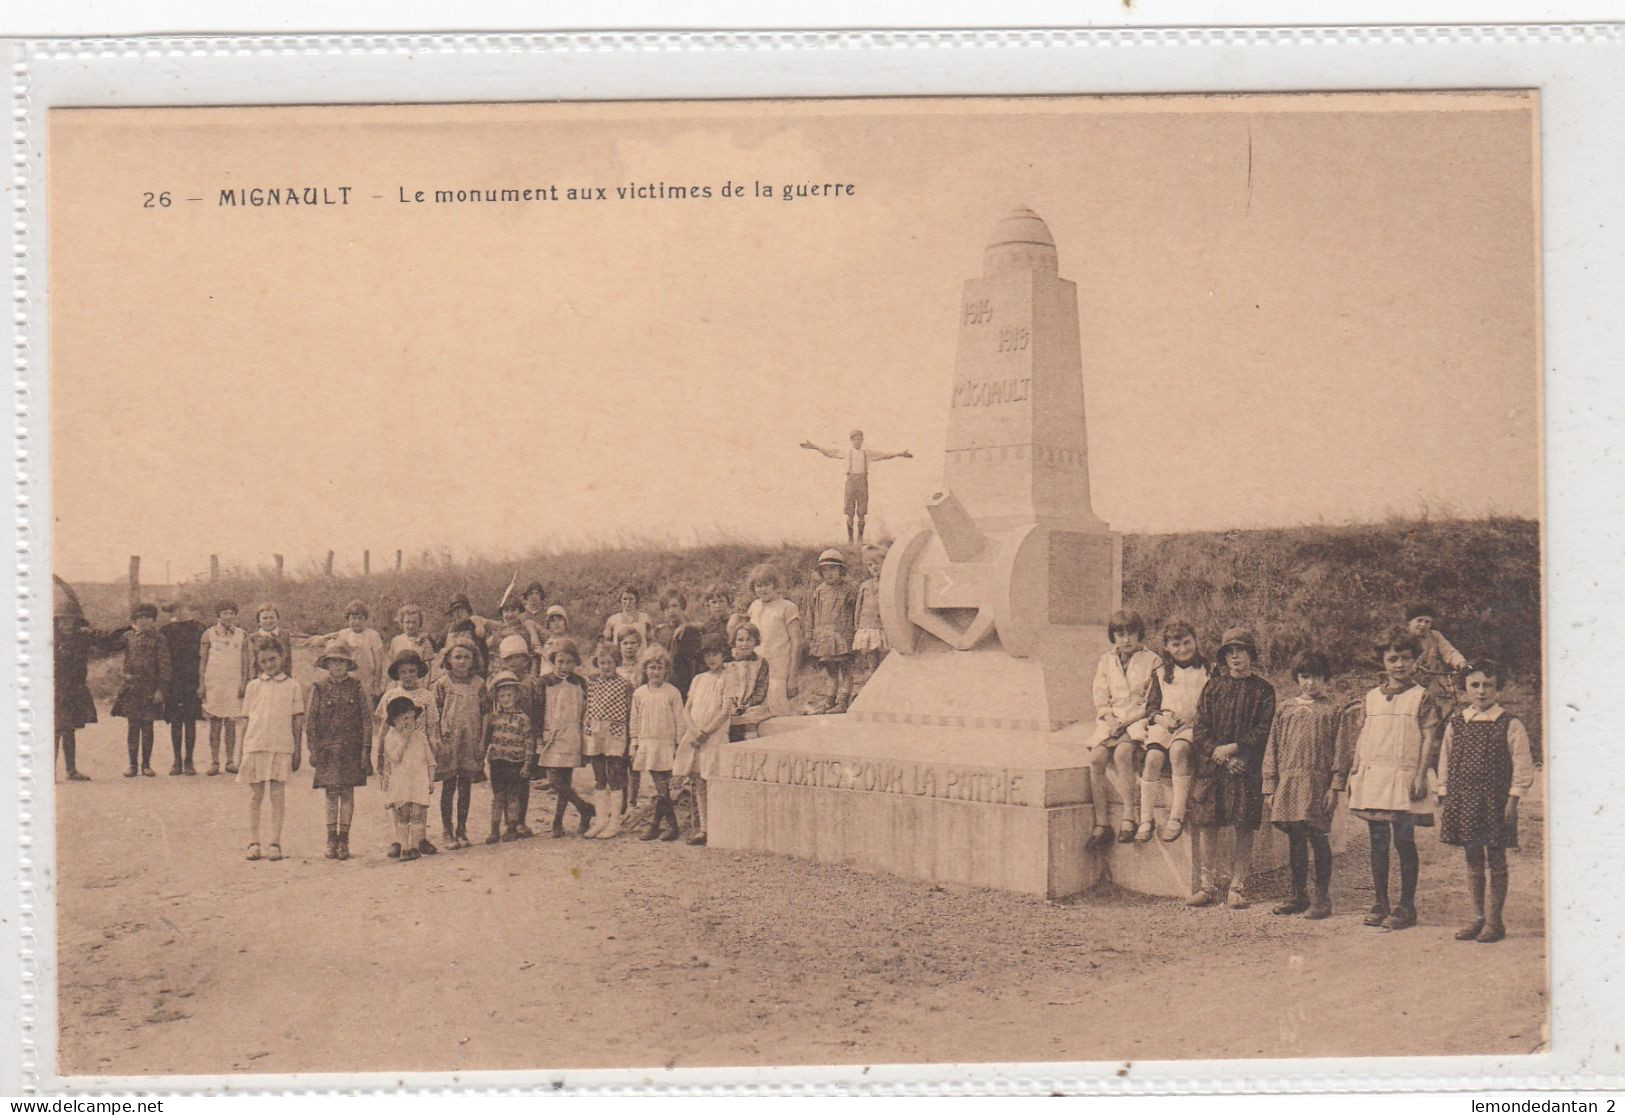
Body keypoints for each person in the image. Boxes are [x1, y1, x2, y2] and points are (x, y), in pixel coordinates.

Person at [1345, 627, 1447, 931]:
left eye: (1405, 658)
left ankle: (1406, 906)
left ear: (1415, 660)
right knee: (1377, 841)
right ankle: (1380, 902)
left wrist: (1419, 774)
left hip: (1404, 777)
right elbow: (1364, 736)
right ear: (1383, 662)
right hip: (1375, 774)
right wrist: (1356, 768)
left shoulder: (1421, 697)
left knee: (1404, 841)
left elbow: (1429, 739)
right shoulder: (1371, 698)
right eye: (1392, 659)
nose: (1399, 665)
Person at [1439, 660, 1535, 944]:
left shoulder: (1510, 723)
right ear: (1465, 688)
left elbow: (1522, 764)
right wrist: (1444, 793)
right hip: (1463, 798)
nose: (1481, 691)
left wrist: (1513, 798)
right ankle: (1478, 917)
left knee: (1496, 858)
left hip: (1496, 801)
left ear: (1497, 688)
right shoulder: (1457, 722)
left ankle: (1495, 920)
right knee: (1472, 857)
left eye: (1488, 685)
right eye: (1475, 685)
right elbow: (1444, 759)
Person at [1188, 627, 1276, 908]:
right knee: (1207, 824)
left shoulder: (1263, 690)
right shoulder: (1213, 687)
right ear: (1223, 657)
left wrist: (1237, 751)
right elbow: (1200, 728)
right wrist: (1219, 752)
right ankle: (1207, 886)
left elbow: (1264, 731)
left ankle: (1238, 886)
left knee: (1243, 825)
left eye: (1241, 650)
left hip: (1244, 767)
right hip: (1214, 767)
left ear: (1251, 654)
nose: (1236, 656)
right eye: (1230, 651)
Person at [1261, 651, 1350, 919]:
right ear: (1297, 678)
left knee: (1318, 838)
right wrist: (1270, 784)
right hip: (1289, 781)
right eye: (1305, 676)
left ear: (1326, 679)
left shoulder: (1334, 711)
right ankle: (1298, 894)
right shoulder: (1285, 708)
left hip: (1317, 783)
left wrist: (1334, 786)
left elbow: (1341, 751)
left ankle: (1322, 897)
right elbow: (1272, 747)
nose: (1310, 683)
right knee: (1296, 839)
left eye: (1317, 677)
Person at [1084, 610, 1161, 848]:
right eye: (1120, 634)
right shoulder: (1106, 660)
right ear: (1113, 636)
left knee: (1122, 754)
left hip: (1137, 721)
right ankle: (1102, 823)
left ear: (1140, 634)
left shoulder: (1153, 660)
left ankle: (1130, 816)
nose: (1126, 639)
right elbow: (1100, 694)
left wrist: (1126, 723)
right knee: (1096, 759)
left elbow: (1151, 701)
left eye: (1131, 633)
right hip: (1111, 722)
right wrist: (1109, 718)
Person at [1135, 618, 1208, 843]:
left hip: (1193, 725)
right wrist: (1161, 719)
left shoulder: (1207, 670)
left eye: (1187, 642)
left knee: (1178, 751)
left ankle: (1177, 815)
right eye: (1175, 645)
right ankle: (1146, 819)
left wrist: (1194, 718)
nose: (1182, 649)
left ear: (1195, 641)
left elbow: (1213, 704)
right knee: (1154, 757)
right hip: (1165, 724)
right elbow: (1151, 707)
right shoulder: (1161, 672)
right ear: (1166, 647)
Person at [305, 641, 372, 861]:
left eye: (342, 662)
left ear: (348, 664)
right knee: (331, 794)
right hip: (328, 750)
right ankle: (331, 838)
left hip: (351, 749)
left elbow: (366, 721)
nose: (337, 666)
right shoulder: (319, 688)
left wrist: (365, 751)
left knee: (348, 793)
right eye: (333, 662)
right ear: (327, 664)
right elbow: (311, 722)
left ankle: (344, 838)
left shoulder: (357, 687)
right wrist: (313, 749)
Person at [239, 640, 304, 862]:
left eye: (273, 659)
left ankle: (275, 842)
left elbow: (297, 721)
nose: (269, 664)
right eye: (264, 661)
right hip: (255, 745)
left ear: (282, 657)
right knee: (255, 796)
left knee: (277, 796)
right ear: (258, 662)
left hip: (281, 746)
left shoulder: (292, 686)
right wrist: (242, 750)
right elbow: (246, 720)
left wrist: (296, 750)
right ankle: (253, 841)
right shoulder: (253, 686)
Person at [375, 649, 440, 858]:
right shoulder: (391, 695)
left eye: (412, 671)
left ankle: (419, 839)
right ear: (397, 673)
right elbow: (384, 728)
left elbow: (432, 727)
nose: (408, 676)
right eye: (403, 672)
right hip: (397, 750)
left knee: (419, 795)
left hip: (419, 750)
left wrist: (435, 746)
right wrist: (379, 754)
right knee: (399, 795)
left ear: (419, 672)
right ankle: (399, 839)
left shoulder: (427, 696)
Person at [799, 429, 913, 542]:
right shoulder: (846, 452)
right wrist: (814, 446)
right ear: (851, 440)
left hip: (863, 483)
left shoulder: (867, 453)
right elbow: (830, 452)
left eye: (859, 439)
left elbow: (885, 455)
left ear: (862, 440)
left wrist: (900, 453)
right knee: (849, 512)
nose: (857, 442)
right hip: (851, 483)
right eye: (855, 439)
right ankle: (850, 539)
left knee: (862, 512)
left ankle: (860, 538)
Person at [430, 639, 486, 853]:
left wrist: (482, 741)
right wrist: (436, 739)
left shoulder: (479, 684)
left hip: (470, 740)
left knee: (465, 787)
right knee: (449, 785)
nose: (462, 661)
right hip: (449, 741)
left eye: (466, 657)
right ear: (449, 659)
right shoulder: (442, 683)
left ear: (473, 660)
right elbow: (433, 713)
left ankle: (462, 830)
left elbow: (486, 713)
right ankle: (447, 830)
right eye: (457, 657)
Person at [675, 634, 731, 846]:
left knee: (713, 779)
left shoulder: (727, 678)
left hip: (714, 736)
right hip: (695, 735)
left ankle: (718, 828)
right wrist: (693, 730)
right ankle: (704, 829)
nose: (711, 659)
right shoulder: (698, 679)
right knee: (698, 781)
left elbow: (725, 711)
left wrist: (705, 732)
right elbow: (687, 709)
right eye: (707, 655)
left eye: (715, 654)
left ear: (723, 655)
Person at [539, 638, 596, 837]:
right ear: (553, 661)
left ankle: (557, 822)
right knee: (555, 781)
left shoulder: (580, 683)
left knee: (565, 780)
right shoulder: (544, 682)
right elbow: (539, 710)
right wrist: (541, 733)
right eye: (560, 661)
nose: (564, 666)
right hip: (551, 735)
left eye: (569, 662)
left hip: (572, 735)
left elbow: (587, 711)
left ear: (575, 663)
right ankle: (584, 807)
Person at [631, 647, 688, 843]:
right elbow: (635, 719)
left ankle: (658, 826)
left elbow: (680, 720)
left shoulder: (672, 693)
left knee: (663, 788)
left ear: (666, 670)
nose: (655, 672)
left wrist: (680, 744)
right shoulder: (639, 693)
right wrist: (634, 742)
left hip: (666, 744)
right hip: (648, 743)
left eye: (659, 668)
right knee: (660, 788)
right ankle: (669, 826)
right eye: (651, 668)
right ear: (645, 670)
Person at [492, 636, 543, 840]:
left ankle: (520, 821)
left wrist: (538, 737)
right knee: (503, 788)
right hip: (504, 741)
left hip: (525, 739)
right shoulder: (498, 682)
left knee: (522, 783)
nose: (515, 662)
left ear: (526, 659)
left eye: (519, 657)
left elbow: (539, 710)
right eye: (509, 658)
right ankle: (508, 823)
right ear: (503, 661)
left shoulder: (532, 683)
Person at [112, 602, 169, 779]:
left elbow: (165, 666)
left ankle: (146, 765)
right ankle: (132, 765)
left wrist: (160, 690)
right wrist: (123, 673)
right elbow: (112, 648)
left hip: (151, 688)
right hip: (132, 688)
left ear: (153, 620)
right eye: (139, 618)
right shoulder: (128, 636)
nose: (144, 621)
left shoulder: (159, 638)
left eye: (148, 618)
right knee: (133, 726)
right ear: (134, 620)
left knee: (148, 726)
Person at [583, 640, 633, 840]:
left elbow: (630, 713)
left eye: (610, 662)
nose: (606, 666)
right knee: (599, 778)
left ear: (616, 663)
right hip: (596, 732)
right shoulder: (592, 682)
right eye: (602, 662)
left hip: (615, 733)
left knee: (615, 777)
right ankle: (601, 820)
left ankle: (615, 822)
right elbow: (587, 708)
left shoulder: (624, 684)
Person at [482, 670, 537, 845]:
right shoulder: (494, 718)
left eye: (509, 695)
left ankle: (512, 827)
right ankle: (494, 829)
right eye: (502, 696)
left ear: (517, 696)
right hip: (497, 761)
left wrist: (527, 764)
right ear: (497, 698)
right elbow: (488, 739)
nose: (505, 699)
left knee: (513, 796)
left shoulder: (523, 719)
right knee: (498, 796)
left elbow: (529, 742)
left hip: (515, 762)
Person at [379, 696, 435, 864]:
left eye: (412, 718)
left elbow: (431, 761)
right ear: (394, 720)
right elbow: (394, 758)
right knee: (403, 814)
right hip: (401, 782)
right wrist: (404, 738)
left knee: (418, 814)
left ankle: (415, 846)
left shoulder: (421, 737)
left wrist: (431, 781)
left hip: (418, 781)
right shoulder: (391, 737)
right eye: (404, 718)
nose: (409, 722)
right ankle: (404, 847)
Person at [804, 549, 857, 715]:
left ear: (841, 570)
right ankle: (829, 701)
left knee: (846, 669)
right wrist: (810, 633)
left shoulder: (849, 589)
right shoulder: (819, 591)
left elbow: (856, 611)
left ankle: (843, 701)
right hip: (824, 638)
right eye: (824, 570)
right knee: (831, 671)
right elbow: (810, 613)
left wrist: (857, 633)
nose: (829, 573)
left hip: (843, 636)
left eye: (833, 568)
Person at [746, 564, 803, 718]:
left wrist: (792, 678)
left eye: (766, 584)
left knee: (780, 716)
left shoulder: (787, 607)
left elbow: (797, 643)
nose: (762, 589)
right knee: (754, 716)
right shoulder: (754, 607)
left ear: (775, 585)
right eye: (758, 585)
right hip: (756, 672)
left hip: (778, 672)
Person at [306, 600, 386, 706]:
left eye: (360, 618)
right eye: (353, 618)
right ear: (348, 619)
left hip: (366, 678)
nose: (356, 622)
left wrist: (376, 685)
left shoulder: (372, 635)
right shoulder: (343, 633)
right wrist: (328, 636)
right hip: (347, 677)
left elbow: (379, 663)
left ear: (365, 620)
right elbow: (315, 643)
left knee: (366, 705)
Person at [198, 600, 247, 775]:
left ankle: (230, 761)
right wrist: (202, 684)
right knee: (215, 723)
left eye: (231, 613)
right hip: (214, 684)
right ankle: (214, 761)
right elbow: (203, 661)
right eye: (224, 613)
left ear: (235, 615)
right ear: (218, 615)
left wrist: (243, 683)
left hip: (233, 683)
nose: (228, 616)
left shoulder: (242, 634)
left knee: (231, 723)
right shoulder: (208, 634)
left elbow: (245, 661)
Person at [159, 599, 205, 775]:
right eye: (173, 610)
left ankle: (189, 761)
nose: (176, 612)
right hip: (173, 681)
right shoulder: (166, 630)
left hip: (192, 680)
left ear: (188, 608)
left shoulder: (200, 629)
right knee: (176, 722)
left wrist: (202, 682)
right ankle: (176, 760)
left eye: (180, 608)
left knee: (190, 721)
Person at [1405, 602, 1470, 720]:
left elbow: (1448, 651)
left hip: (1433, 682)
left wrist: (1460, 663)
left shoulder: (1435, 636)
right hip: (1408, 681)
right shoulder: (1402, 637)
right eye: (1419, 620)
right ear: (1410, 621)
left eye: (1427, 622)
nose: (1423, 625)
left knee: (1445, 706)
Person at [53, 613, 97, 781]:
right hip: (57, 689)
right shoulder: (52, 640)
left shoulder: (81, 639)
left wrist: (89, 632)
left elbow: (104, 642)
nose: (66, 625)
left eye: (70, 621)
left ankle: (71, 770)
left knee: (69, 729)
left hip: (75, 689)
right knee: (56, 729)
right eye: (62, 621)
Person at [615, 626, 649, 811]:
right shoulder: (615, 667)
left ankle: (632, 801)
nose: (629, 647)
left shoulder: (642, 668)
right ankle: (620, 801)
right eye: (625, 643)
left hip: (637, 717)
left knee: (634, 760)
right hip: (619, 718)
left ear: (639, 645)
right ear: (619, 645)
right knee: (619, 760)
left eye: (633, 643)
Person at [851, 544, 889, 694]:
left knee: (884, 663)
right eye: (869, 565)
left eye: (876, 564)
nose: (873, 567)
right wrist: (857, 627)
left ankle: (885, 689)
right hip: (866, 628)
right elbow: (858, 607)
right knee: (871, 663)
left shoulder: (888, 583)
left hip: (882, 629)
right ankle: (874, 690)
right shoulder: (865, 585)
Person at [724, 623, 772, 742]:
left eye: (749, 640)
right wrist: (731, 705)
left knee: (750, 722)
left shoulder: (761, 663)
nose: (744, 644)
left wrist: (745, 706)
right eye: (740, 640)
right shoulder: (726, 662)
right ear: (734, 641)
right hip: (728, 705)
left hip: (750, 706)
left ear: (756, 642)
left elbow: (760, 690)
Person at [239, 604, 297, 700]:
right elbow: (249, 663)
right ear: (258, 621)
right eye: (265, 618)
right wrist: (248, 682)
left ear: (277, 619)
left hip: (282, 679)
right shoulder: (252, 638)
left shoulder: (285, 635)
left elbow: (289, 658)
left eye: (271, 617)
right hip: (261, 679)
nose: (268, 621)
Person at [656, 590, 704, 700]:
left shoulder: (690, 630)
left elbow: (696, 660)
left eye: (674, 606)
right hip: (665, 680)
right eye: (667, 608)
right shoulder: (660, 632)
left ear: (681, 607)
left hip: (685, 681)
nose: (671, 611)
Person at [387, 604, 438, 684]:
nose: (411, 626)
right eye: (407, 622)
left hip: (418, 684)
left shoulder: (425, 642)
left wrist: (425, 689)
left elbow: (429, 671)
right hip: (400, 685)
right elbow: (392, 668)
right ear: (402, 622)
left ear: (419, 623)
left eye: (414, 622)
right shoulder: (395, 641)